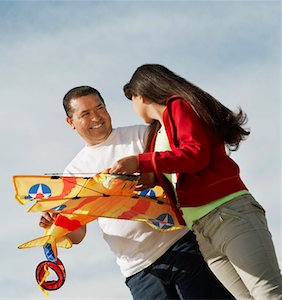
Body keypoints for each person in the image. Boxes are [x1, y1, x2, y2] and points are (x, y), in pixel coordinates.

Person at [40, 85, 233, 299]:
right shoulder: (72, 172)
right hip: (138, 270)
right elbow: (78, 234)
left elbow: (177, 173)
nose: (96, 117)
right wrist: (56, 223)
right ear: (71, 123)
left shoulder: (141, 135)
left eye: (99, 108)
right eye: (85, 114)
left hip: (183, 244)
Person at [111, 64, 282, 299]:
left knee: (268, 293)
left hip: (227, 213)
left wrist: (141, 161)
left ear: (139, 95)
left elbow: (196, 154)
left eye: (131, 100)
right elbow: (169, 172)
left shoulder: (178, 106)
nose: (132, 107)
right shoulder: (156, 135)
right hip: (201, 229)